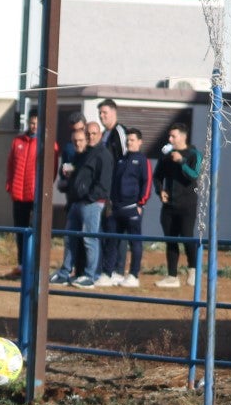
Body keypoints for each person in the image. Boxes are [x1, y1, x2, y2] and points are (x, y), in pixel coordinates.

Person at [51, 124, 113, 289]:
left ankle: (89, 276)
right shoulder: (84, 154)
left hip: (91, 204)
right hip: (76, 203)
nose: (91, 136)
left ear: (100, 134)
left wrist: (89, 198)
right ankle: (65, 273)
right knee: (69, 238)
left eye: (94, 133)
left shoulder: (104, 155)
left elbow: (104, 185)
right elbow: (78, 177)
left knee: (90, 239)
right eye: (88, 133)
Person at [4, 107, 56, 278]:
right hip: (19, 195)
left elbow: (52, 170)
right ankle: (21, 265)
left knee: (36, 233)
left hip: (36, 197)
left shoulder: (48, 144)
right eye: (31, 123)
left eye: (36, 123)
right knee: (20, 231)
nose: (33, 126)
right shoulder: (17, 141)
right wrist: (10, 186)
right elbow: (11, 165)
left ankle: (36, 266)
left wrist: (44, 193)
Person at [153, 122, 203, 287]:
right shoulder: (167, 155)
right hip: (169, 206)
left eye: (173, 136)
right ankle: (172, 276)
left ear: (183, 136)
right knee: (170, 240)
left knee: (187, 236)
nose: (170, 139)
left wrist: (181, 161)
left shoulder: (194, 154)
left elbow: (194, 174)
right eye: (169, 136)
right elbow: (157, 176)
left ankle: (193, 270)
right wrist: (160, 191)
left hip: (187, 204)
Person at [104, 127, 152, 287]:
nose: (129, 143)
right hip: (116, 208)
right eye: (127, 140)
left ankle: (133, 275)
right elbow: (113, 183)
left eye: (132, 140)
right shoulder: (121, 160)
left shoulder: (143, 161)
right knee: (112, 240)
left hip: (132, 207)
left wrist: (141, 204)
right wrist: (110, 202)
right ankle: (109, 272)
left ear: (139, 142)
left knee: (134, 242)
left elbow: (147, 183)